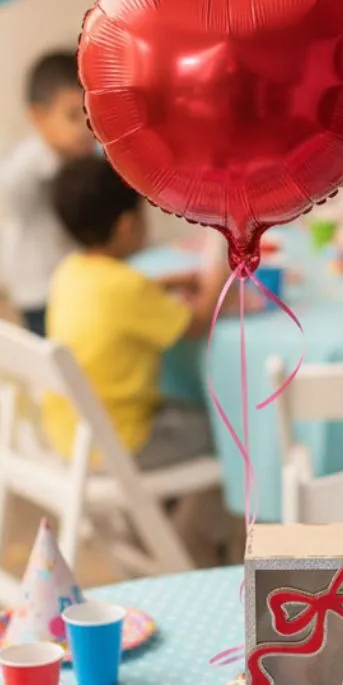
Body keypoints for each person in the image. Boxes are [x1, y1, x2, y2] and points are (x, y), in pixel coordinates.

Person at [43, 153, 229, 473]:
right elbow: (199, 322)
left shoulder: (70, 272)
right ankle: (201, 520)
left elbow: (119, 297)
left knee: (188, 409)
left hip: (69, 431)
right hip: (122, 442)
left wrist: (173, 281)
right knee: (230, 428)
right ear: (128, 225)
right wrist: (222, 270)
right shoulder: (127, 288)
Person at [0, 51, 95, 335]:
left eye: (90, 114)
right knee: (57, 358)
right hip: (40, 290)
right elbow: (8, 186)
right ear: (38, 118)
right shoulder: (29, 164)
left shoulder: (85, 158)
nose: (86, 129)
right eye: (73, 116)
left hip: (76, 282)